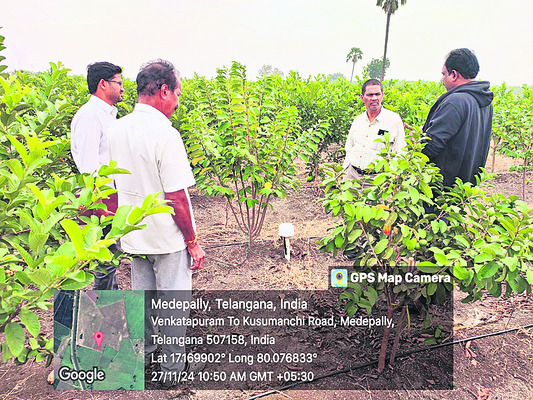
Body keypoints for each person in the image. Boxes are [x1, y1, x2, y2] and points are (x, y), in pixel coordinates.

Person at [107, 59, 205, 385]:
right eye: (176, 93)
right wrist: (192, 241)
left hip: (134, 235)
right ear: (163, 91)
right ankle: (173, 371)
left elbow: (108, 189)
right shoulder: (166, 134)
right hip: (166, 238)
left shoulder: (117, 130)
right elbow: (176, 197)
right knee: (174, 306)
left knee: (143, 301)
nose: (177, 101)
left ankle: (145, 357)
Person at [70, 61, 124, 290]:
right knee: (103, 260)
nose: (122, 88)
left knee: (111, 257)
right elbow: (89, 166)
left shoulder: (108, 115)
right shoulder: (90, 116)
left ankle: (109, 306)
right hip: (100, 196)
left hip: (110, 194)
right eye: (118, 83)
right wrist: (100, 204)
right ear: (103, 84)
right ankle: (102, 314)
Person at [422, 48, 493, 188]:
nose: (442, 79)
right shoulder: (484, 102)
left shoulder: (455, 101)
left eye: (444, 74)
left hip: (441, 189)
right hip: (462, 188)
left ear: (454, 74)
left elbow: (432, 145)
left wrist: (417, 143)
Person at [343, 78, 406, 181]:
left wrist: (391, 176)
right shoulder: (358, 120)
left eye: (377, 94)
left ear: (382, 96)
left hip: (376, 179)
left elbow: (400, 151)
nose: (374, 98)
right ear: (362, 98)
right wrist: (345, 173)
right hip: (352, 176)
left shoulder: (393, 120)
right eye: (370, 95)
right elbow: (349, 148)